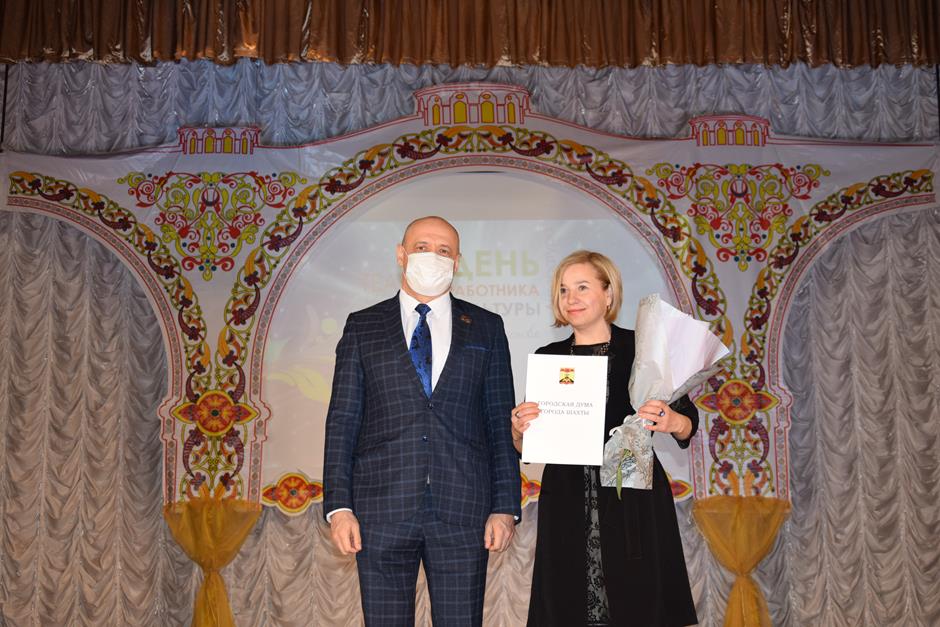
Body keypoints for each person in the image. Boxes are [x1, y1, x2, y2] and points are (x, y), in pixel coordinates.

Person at [323, 216, 521, 627]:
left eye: (444, 250)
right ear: (401, 254)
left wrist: (505, 507)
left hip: (463, 510)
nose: (434, 256)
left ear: (457, 261)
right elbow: (342, 421)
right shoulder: (362, 326)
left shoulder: (487, 327)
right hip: (380, 509)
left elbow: (498, 421)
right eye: (422, 247)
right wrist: (339, 507)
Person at [512, 250, 698, 627]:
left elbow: (687, 423)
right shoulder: (549, 357)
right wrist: (518, 430)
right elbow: (528, 448)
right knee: (568, 604)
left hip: (631, 496)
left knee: (638, 603)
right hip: (566, 498)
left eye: (582, 287)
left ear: (609, 293)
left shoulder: (641, 349)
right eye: (563, 290)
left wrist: (672, 420)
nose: (571, 298)